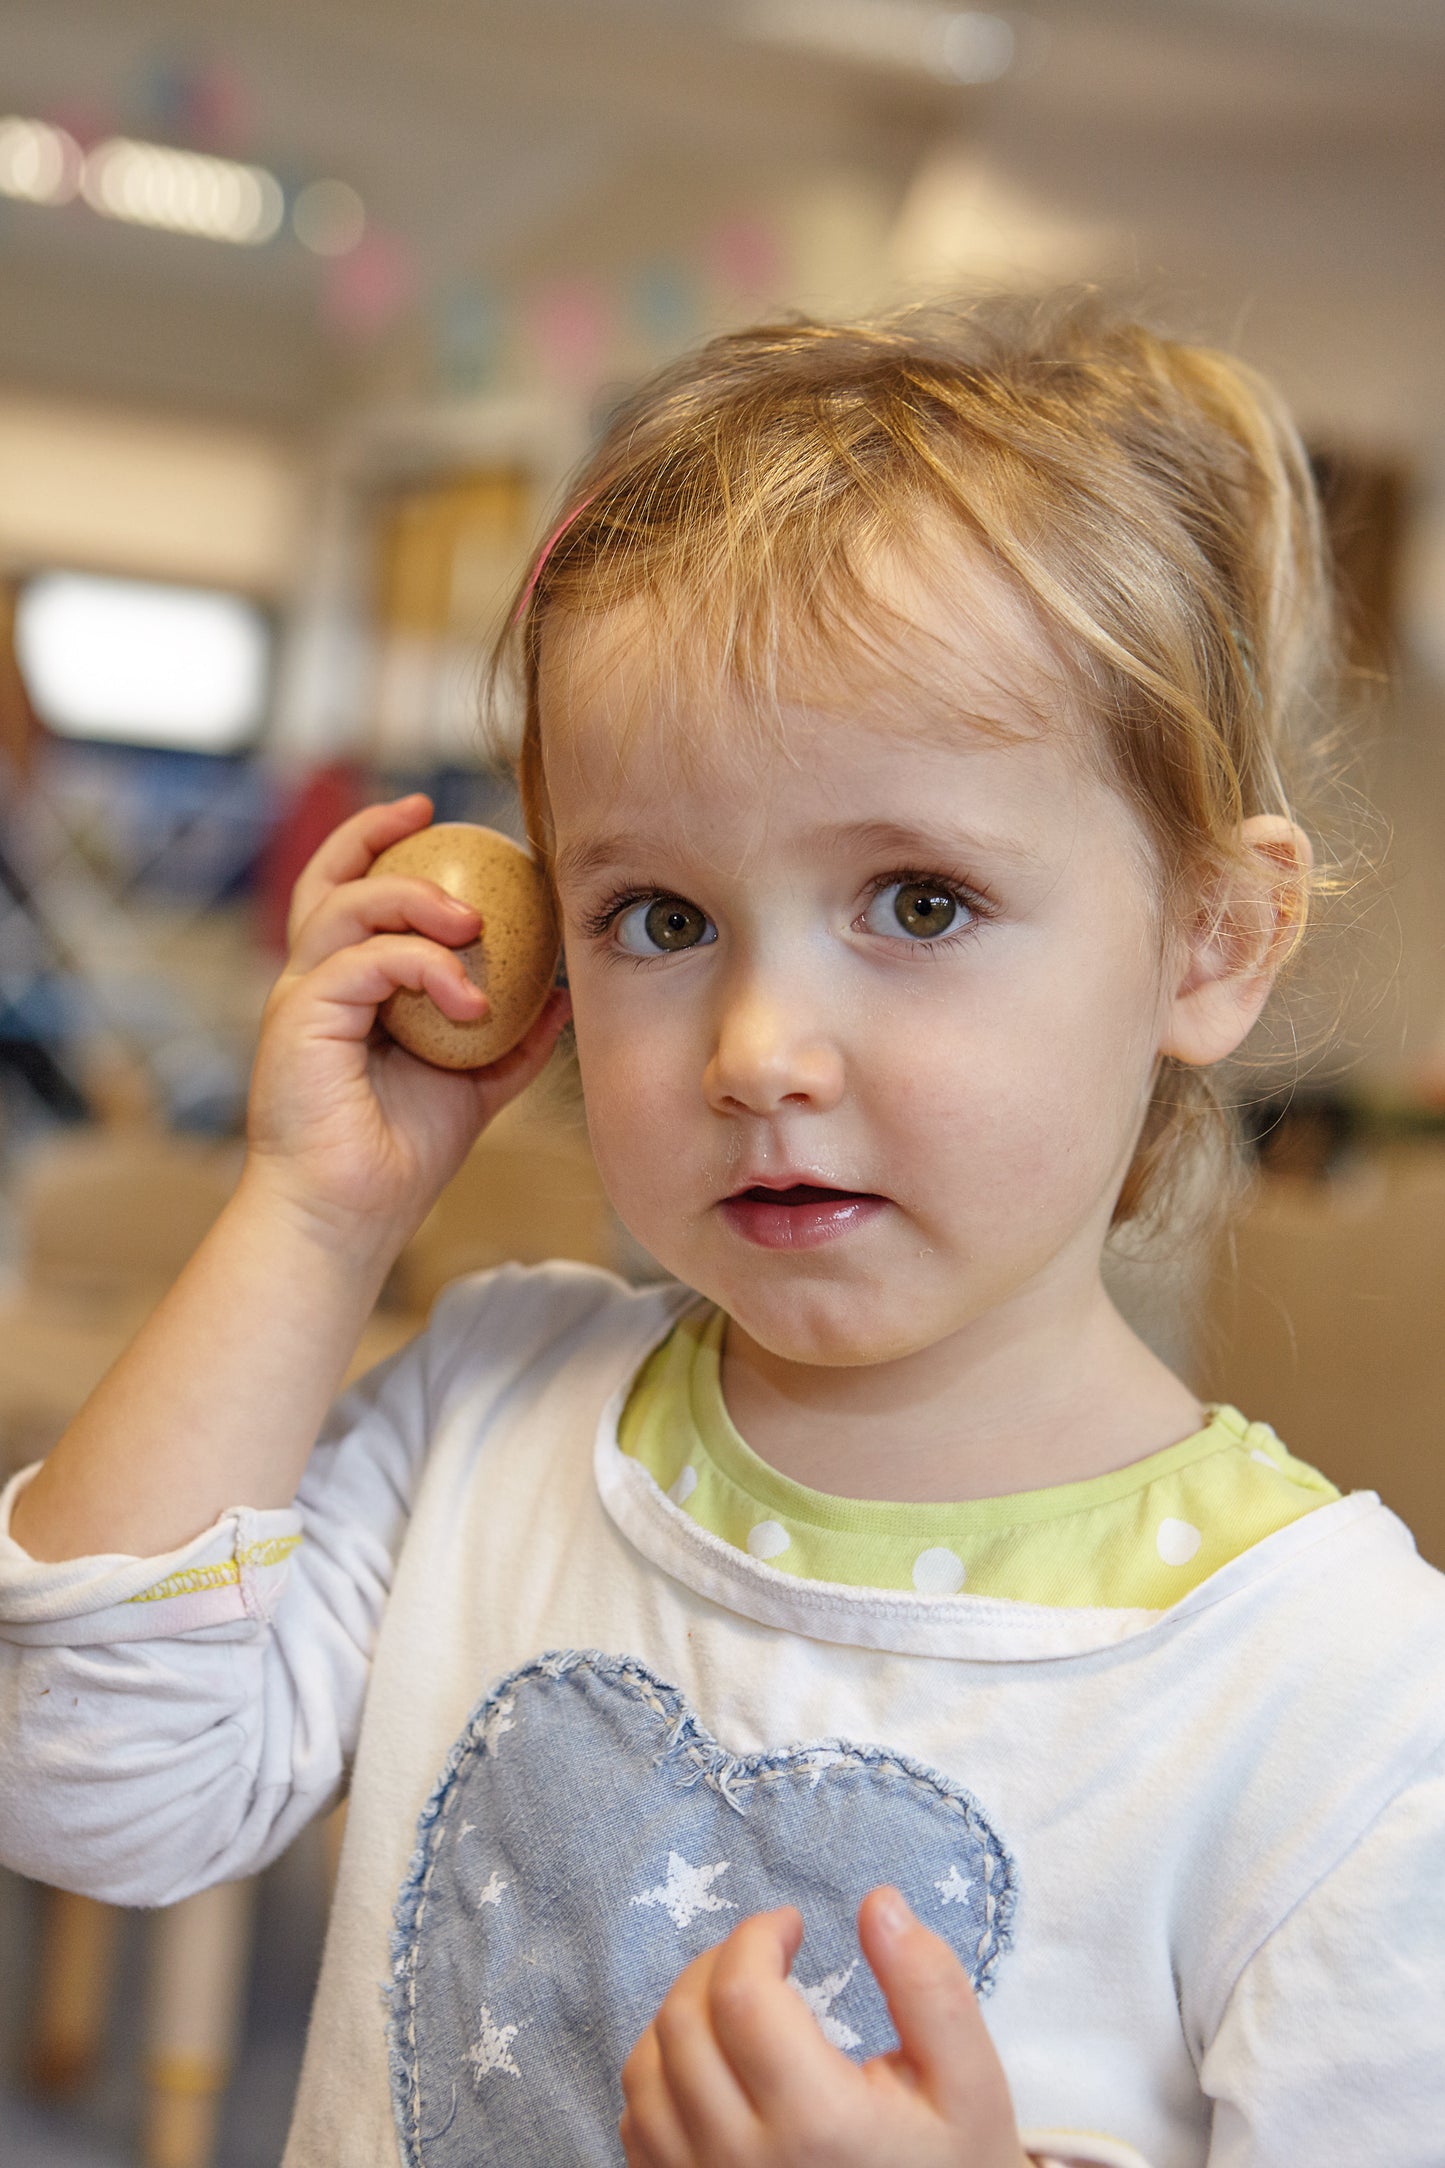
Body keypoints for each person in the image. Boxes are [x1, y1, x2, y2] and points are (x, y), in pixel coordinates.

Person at [2, 298, 1442, 2168]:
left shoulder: (1336, 1698)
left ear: (1210, 942)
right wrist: (313, 1214)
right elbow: (85, 1780)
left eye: (918, 902)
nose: (757, 1054)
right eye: (660, 921)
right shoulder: (489, 1411)